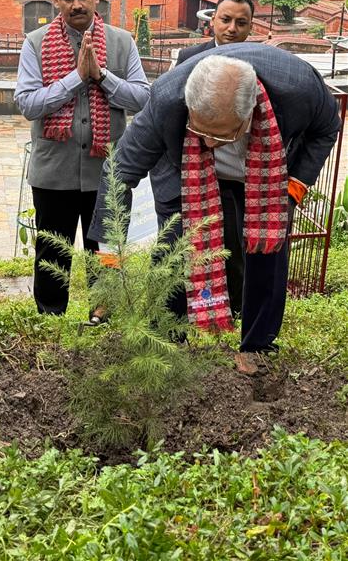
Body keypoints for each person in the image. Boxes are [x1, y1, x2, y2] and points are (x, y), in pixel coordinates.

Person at [90, 45, 341, 373]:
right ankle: (167, 336)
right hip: (193, 173)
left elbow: (326, 130)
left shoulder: (298, 90)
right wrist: (111, 253)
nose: (208, 143)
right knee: (176, 247)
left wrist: (293, 186)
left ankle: (258, 346)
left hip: (265, 172)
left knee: (268, 249)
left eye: (220, 136)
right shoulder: (167, 100)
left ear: (249, 112)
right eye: (200, 131)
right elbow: (118, 173)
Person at [14, 0, 150, 315]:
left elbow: (142, 98)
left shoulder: (121, 42)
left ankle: (103, 317)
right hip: (53, 171)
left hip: (105, 171)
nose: (77, 5)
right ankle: (50, 318)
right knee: (52, 252)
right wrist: (77, 78)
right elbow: (27, 103)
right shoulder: (35, 43)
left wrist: (102, 76)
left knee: (105, 252)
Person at [150, 0, 254, 316]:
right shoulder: (190, 59)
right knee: (184, 244)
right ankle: (177, 312)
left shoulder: (256, 61)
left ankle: (234, 309)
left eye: (241, 22)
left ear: (251, 27)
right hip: (197, 171)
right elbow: (169, 112)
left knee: (234, 246)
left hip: (239, 173)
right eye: (225, 19)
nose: (232, 28)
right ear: (212, 22)